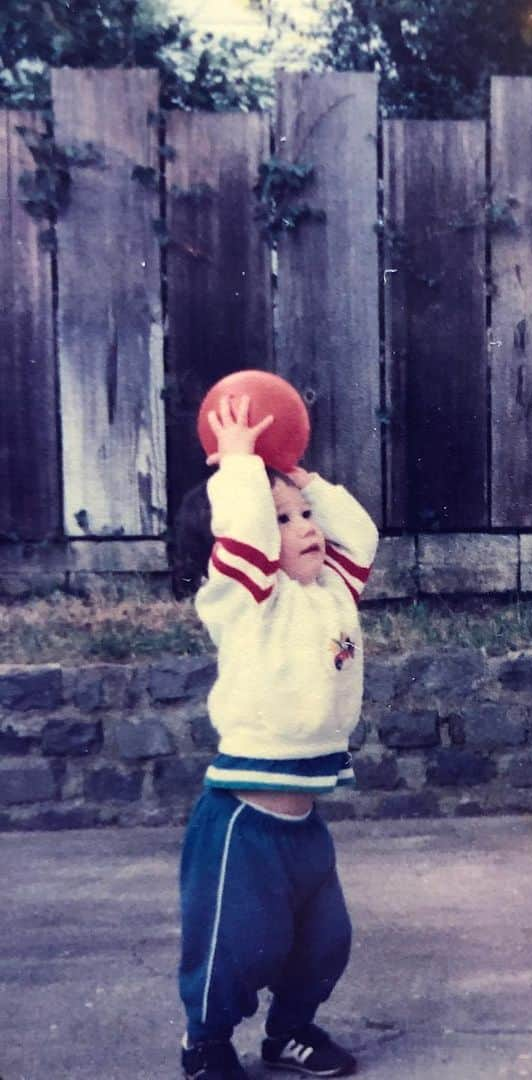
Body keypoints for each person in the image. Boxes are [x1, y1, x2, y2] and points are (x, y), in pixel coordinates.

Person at [174, 393, 379, 1079]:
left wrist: (300, 474)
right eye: (284, 518)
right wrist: (239, 464)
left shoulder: (331, 592)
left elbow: (363, 535)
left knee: (326, 943)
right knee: (236, 947)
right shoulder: (246, 599)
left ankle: (290, 1032)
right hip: (243, 824)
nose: (304, 527)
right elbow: (245, 535)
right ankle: (205, 1044)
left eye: (307, 516)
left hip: (304, 826)